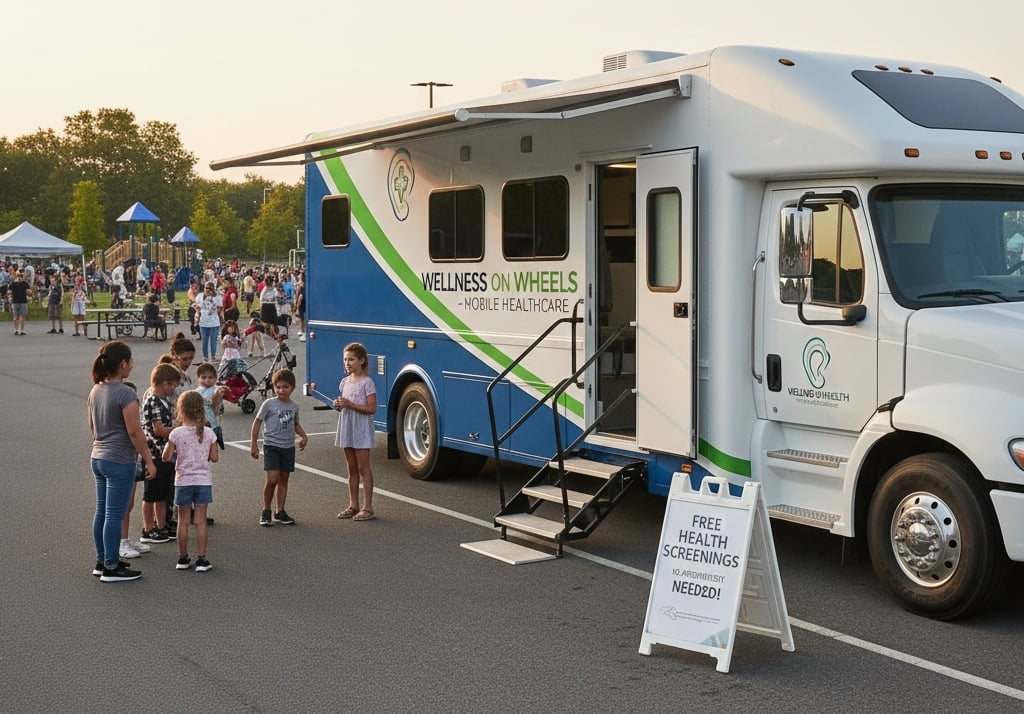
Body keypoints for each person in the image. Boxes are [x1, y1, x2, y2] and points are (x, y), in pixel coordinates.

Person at [88, 341, 157, 582]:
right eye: (130, 361)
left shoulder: (96, 389)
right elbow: (135, 432)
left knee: (102, 512)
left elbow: (92, 426)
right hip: (119, 460)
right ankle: (111, 566)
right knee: (115, 514)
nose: (132, 366)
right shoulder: (126, 393)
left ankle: (102, 560)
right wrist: (148, 459)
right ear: (122, 363)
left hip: (98, 456)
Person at [163, 391, 218, 572]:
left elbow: (166, 457)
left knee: (183, 521)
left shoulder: (176, 433)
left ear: (181, 410)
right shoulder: (209, 432)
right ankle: (202, 559)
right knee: (200, 521)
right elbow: (214, 457)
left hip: (183, 481)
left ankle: (183, 557)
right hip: (202, 481)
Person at [250, 368, 308, 526]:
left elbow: (295, 423)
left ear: (292, 388)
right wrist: (254, 444)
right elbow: (257, 422)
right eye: (278, 387)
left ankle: (280, 511)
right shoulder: (269, 404)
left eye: (285, 387)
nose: (281, 390)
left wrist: (303, 435)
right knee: (273, 478)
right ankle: (266, 509)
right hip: (272, 446)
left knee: (284, 479)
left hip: (288, 447)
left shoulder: (294, 406)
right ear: (274, 387)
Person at [334, 342, 378, 521]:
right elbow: (344, 403)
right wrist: (339, 405)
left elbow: (372, 408)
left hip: (361, 427)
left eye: (351, 359)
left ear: (361, 360)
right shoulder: (345, 381)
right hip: (347, 425)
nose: (347, 363)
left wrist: (349, 404)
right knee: (351, 467)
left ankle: (368, 507)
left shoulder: (367, 382)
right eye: (345, 359)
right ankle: (353, 504)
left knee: (363, 467)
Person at [140, 363, 181, 545]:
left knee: (163, 493)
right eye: (172, 385)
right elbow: (158, 430)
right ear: (164, 383)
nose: (174, 389)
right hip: (155, 453)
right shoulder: (154, 400)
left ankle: (161, 525)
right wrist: (178, 430)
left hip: (164, 453)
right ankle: (148, 529)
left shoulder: (163, 400)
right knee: (151, 495)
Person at [194, 362, 226, 449]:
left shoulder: (215, 389)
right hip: (199, 419)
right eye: (203, 377)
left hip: (210, 417)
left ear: (215, 378)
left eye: (210, 377)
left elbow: (215, 402)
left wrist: (220, 392)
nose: (207, 380)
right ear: (198, 378)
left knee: (210, 440)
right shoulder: (197, 391)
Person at [195, 282, 222, 362]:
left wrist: (214, 308)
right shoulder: (200, 296)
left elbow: (220, 308)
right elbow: (196, 305)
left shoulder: (217, 297)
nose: (207, 290)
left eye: (209, 289)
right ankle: (205, 357)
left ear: (213, 289)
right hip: (203, 322)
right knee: (204, 340)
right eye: (206, 288)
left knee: (213, 340)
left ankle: (213, 356)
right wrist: (198, 309)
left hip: (214, 322)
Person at [9, 270, 31, 335]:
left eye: (20, 276)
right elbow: (9, 292)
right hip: (17, 301)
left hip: (21, 301)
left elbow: (29, 291)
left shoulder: (24, 283)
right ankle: (17, 330)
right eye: (18, 276)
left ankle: (21, 330)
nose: (19, 277)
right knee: (17, 316)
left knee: (21, 316)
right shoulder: (13, 283)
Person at [258, 276, 279, 341]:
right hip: (271, 306)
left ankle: (271, 333)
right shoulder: (274, 289)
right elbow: (276, 297)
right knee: (272, 322)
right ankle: (273, 334)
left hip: (265, 306)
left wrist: (261, 307)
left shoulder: (264, 290)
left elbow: (261, 299)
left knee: (266, 322)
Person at [294, 275, 306, 342]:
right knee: (302, 320)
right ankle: (302, 331)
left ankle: (304, 334)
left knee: (303, 320)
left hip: (302, 306)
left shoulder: (302, 287)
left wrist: (297, 306)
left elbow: (300, 297)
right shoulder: (302, 286)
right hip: (303, 305)